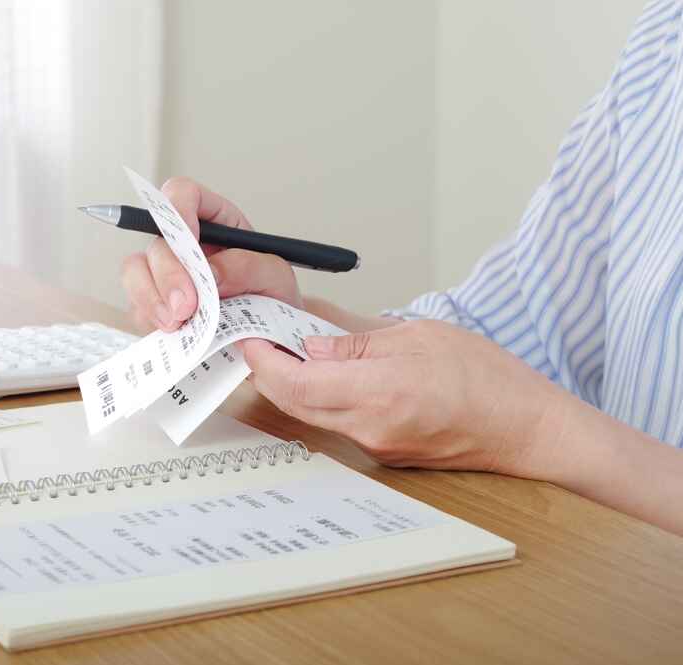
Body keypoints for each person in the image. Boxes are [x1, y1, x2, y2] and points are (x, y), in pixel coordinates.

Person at [119, 0, 683, 535]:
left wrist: (536, 432)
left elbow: (506, 400)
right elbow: (520, 331)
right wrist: (275, 317)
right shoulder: (666, 41)